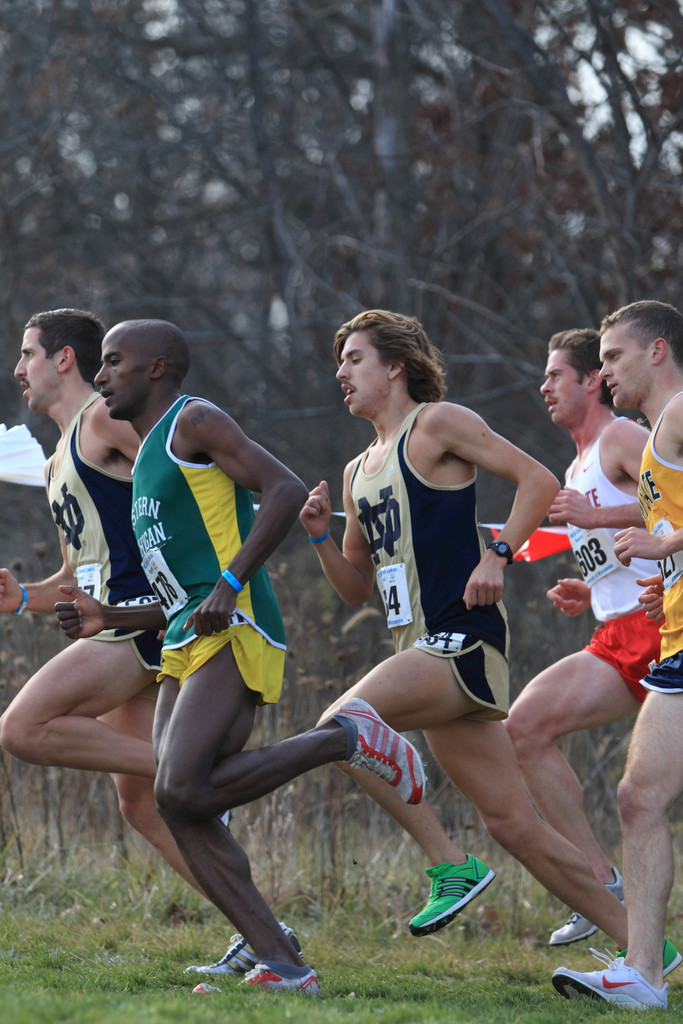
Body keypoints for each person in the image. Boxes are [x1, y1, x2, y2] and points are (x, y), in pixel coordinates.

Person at [57, 317, 426, 995]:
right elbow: (179, 592)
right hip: (184, 638)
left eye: (112, 362)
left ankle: (344, 738)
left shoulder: (192, 421)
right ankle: (281, 961)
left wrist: (230, 583)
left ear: (156, 367)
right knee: (180, 802)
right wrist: (108, 616)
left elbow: (282, 489)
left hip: (238, 624)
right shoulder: (142, 462)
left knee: (180, 787)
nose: (100, 375)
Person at [295, 309, 635, 950]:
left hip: (461, 639)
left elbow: (535, 480)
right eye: (339, 361)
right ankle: (648, 952)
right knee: (514, 825)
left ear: (395, 367)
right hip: (415, 649)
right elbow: (355, 588)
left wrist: (497, 554)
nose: (340, 373)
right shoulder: (356, 470)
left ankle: (452, 866)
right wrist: (317, 536)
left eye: (355, 360)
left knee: (340, 726)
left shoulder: (436, 424)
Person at [0, 308, 202, 893]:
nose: (18, 369)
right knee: (141, 806)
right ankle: (262, 931)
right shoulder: (58, 457)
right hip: (110, 620)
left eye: (27, 354)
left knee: (21, 729)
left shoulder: (102, 419)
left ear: (63, 359)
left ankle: (200, 773)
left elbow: (183, 473)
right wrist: (21, 599)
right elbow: (76, 572)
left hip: (139, 624)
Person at [504, 328, 662, 947]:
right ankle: (601, 881)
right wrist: (590, 589)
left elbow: (672, 502)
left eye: (554, 376)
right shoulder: (574, 465)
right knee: (526, 727)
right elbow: (623, 557)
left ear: (592, 381)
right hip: (618, 632)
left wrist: (595, 516)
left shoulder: (622, 437)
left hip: (666, 624)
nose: (543, 387)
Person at [552, 300, 683, 1009]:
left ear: (655, 351)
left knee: (642, 796)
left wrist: (666, 544)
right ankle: (643, 973)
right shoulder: (662, 435)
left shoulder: (677, 414)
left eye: (611, 358)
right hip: (674, 638)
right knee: (637, 796)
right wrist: (658, 578)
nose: (601, 374)